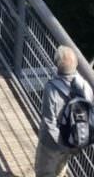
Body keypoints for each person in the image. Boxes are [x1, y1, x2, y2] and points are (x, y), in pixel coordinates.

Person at [35, 45, 94, 177]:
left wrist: (60, 144)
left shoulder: (51, 88)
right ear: (76, 64)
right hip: (73, 140)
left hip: (52, 143)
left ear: (57, 65)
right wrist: (70, 146)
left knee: (43, 171)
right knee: (61, 169)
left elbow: (49, 121)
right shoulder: (85, 86)